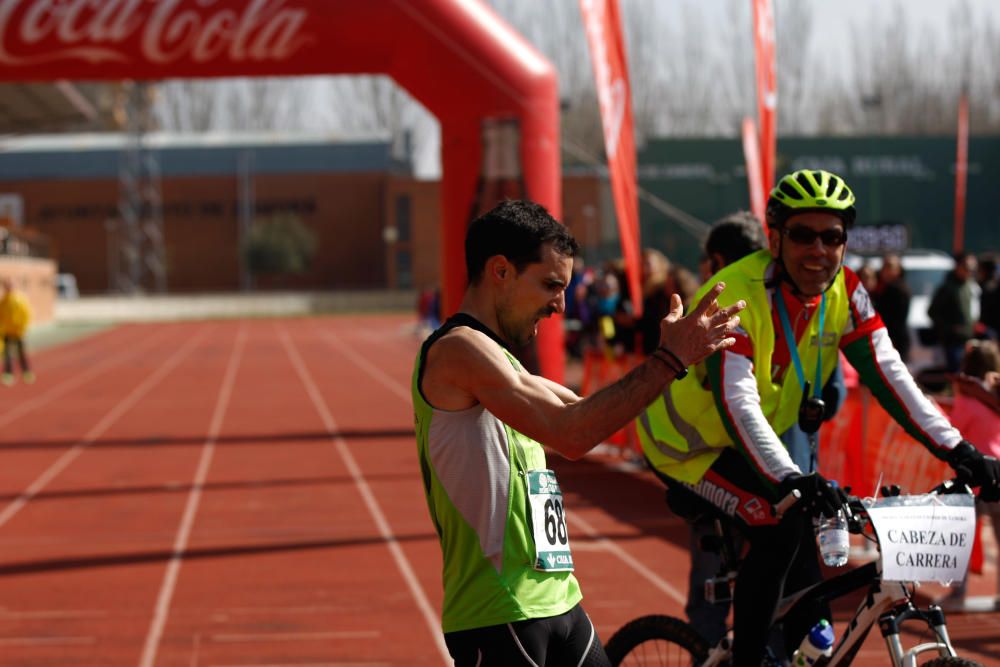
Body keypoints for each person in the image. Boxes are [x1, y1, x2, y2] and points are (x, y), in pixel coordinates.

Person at [637, 170, 1000, 667]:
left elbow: (890, 374)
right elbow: (736, 400)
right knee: (780, 524)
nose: (818, 250)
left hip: (750, 441)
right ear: (775, 238)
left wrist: (960, 450)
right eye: (803, 234)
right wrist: (791, 477)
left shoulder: (845, 292)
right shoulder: (734, 293)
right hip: (686, 449)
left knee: (811, 536)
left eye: (832, 237)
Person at [412, 199, 744, 667]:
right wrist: (669, 360)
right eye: (550, 285)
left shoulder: (501, 358)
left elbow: (593, 412)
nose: (561, 305)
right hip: (499, 610)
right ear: (501, 271)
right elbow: (572, 434)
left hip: (558, 598)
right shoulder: (457, 351)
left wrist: (679, 370)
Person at [679, 210, 844, 647]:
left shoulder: (730, 305)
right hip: (774, 467)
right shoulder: (796, 304)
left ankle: (719, 650)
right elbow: (834, 393)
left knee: (720, 585)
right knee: (790, 583)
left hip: (749, 467)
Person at [939, 339, 1000, 609]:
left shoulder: (968, 399)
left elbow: (953, 431)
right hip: (997, 470)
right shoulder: (996, 396)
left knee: (961, 537)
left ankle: (958, 593)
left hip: (974, 476)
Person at [929, 252, 981, 373]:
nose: (970, 271)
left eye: (973, 268)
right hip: (953, 341)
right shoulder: (947, 288)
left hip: (969, 338)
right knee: (957, 374)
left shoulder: (970, 286)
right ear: (958, 266)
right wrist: (950, 328)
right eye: (967, 268)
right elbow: (932, 312)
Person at [872, 253, 912, 362]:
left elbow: (897, 320)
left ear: (898, 270)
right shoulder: (880, 287)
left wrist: (891, 340)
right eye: (884, 266)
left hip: (894, 340)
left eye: (889, 266)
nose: (885, 270)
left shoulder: (899, 289)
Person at [0, 278, 33, 385]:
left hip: (19, 332)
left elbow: (26, 314)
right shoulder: (3, 301)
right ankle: (8, 374)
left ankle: (26, 372)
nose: (7, 287)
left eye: (9, 285)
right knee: (7, 355)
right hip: (7, 332)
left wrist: (23, 328)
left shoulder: (19, 299)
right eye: (5, 285)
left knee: (22, 353)